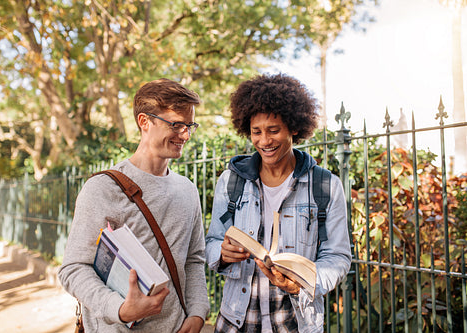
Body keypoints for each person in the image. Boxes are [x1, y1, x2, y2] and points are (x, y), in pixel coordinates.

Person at [59, 78, 210, 332]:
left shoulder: (188, 190)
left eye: (189, 125)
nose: (185, 134)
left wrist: (197, 313)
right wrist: (119, 309)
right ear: (144, 121)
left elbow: (194, 260)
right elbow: (73, 269)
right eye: (176, 124)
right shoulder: (102, 189)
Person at [205, 73, 352, 332]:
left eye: (274, 131)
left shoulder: (325, 186)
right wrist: (222, 254)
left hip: (296, 322)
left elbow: (337, 256)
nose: (264, 141)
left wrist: (305, 283)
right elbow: (212, 242)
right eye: (256, 132)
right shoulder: (230, 181)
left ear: (294, 128)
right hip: (236, 321)